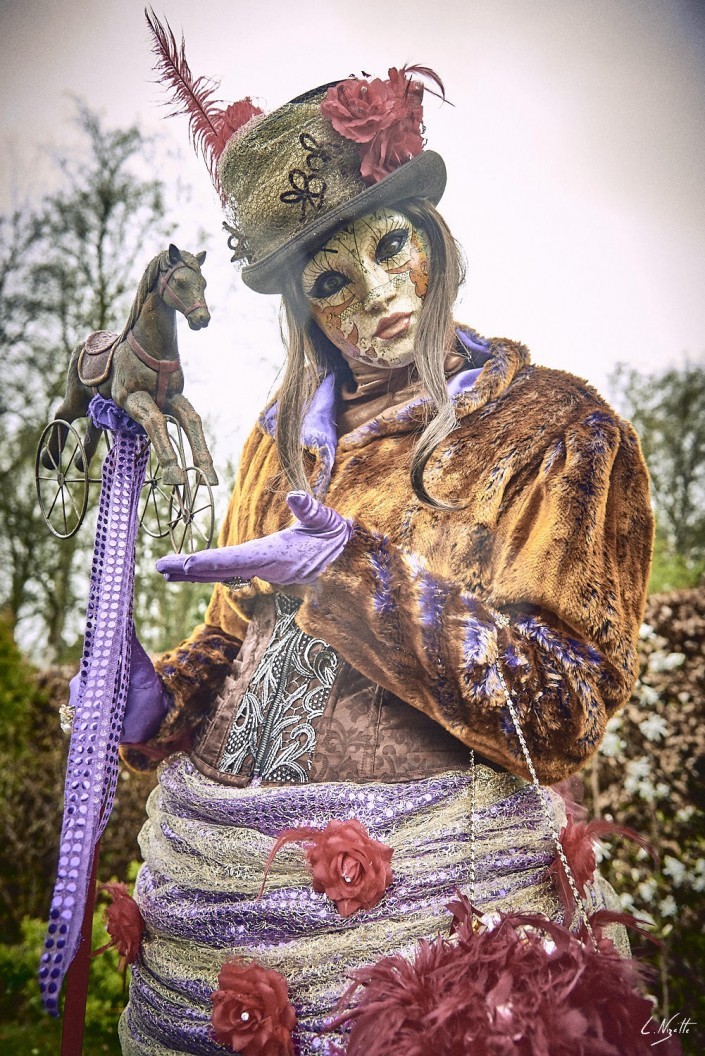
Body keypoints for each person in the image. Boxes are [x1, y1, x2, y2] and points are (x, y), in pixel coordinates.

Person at [116, 27, 654, 1056]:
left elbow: (564, 709)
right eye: (330, 281)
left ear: (432, 233)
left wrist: (357, 576)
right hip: (220, 962)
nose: (377, 294)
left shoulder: (557, 432)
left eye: (389, 243)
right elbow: (231, 650)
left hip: (438, 977)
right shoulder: (275, 447)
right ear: (303, 312)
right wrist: (155, 695)